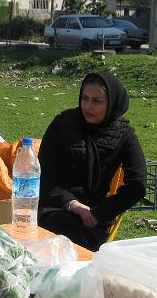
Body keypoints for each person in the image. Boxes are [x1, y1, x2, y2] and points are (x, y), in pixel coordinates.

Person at [38, 72, 147, 251]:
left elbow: (137, 185)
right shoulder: (63, 124)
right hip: (53, 207)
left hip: (92, 219)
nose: (88, 106)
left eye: (97, 101)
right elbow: (42, 173)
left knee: (74, 241)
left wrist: (99, 213)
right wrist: (72, 204)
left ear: (111, 103)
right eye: (84, 98)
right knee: (62, 227)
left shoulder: (124, 135)